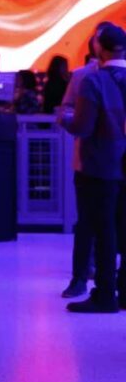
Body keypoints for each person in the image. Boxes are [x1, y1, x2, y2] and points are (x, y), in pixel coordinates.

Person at [58, 23, 126, 312]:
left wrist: (64, 118)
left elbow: (83, 127)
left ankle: (104, 294)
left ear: (99, 47)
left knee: (103, 229)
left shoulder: (92, 81)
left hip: (99, 166)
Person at [59, 26, 110, 298]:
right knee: (87, 220)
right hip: (88, 159)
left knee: (104, 220)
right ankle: (82, 275)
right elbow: (66, 107)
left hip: (109, 160)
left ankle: (103, 277)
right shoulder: (81, 76)